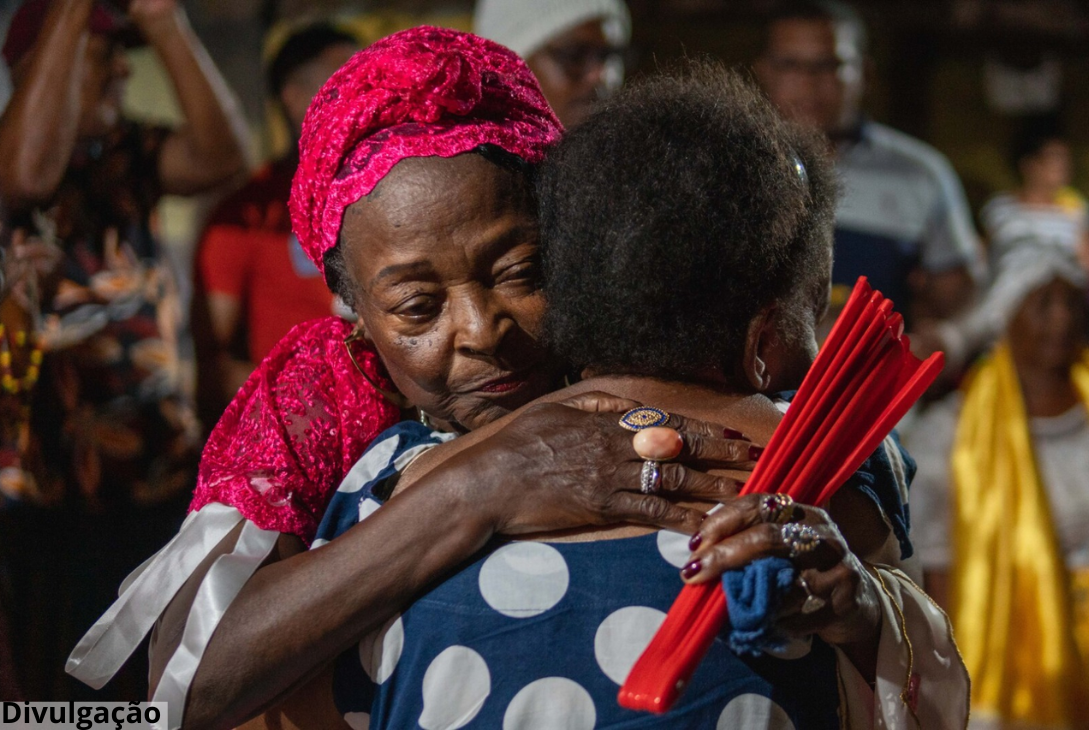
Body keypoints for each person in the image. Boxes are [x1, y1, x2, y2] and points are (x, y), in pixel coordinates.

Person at [66, 28, 758, 729]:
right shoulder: (322, 391)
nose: (481, 329)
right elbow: (188, 685)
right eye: (416, 308)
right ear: (355, 309)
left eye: (521, 273)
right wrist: (481, 486)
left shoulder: (622, 334)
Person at [294, 62, 967, 729]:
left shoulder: (389, 481)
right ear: (763, 341)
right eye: (809, 316)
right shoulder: (822, 471)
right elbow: (915, 692)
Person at [0, 0, 247, 699]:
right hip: (47, 503)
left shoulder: (127, 155)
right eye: (101, 51)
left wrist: (166, 20)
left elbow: (222, 154)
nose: (122, 66)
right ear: (33, 65)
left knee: (157, 687)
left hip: (156, 481)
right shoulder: (10, 156)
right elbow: (22, 177)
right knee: (58, 699)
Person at [907, 243, 1089, 729]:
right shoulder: (951, 436)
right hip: (1011, 659)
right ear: (1005, 315)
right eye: (1043, 304)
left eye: (1071, 302)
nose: (1061, 320)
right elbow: (939, 580)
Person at [754, 0, 983, 338]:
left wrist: (951, 338)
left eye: (829, 65)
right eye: (790, 65)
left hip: (872, 385)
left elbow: (962, 297)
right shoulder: (727, 167)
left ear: (866, 73)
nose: (809, 81)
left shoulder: (920, 174)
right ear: (764, 71)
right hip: (745, 387)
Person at [192, 23, 359, 425]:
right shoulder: (244, 215)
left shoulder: (391, 194)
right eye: (345, 84)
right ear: (294, 97)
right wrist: (310, 405)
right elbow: (212, 370)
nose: (363, 98)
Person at [473, 0, 630, 128]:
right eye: (573, 56)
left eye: (607, 56)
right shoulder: (465, 163)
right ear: (505, 66)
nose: (599, 76)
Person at [981, 123, 1089, 269]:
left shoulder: (1075, 207)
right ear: (1029, 164)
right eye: (1055, 159)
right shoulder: (999, 208)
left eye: (1066, 159)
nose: (1063, 167)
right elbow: (983, 258)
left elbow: (1085, 260)